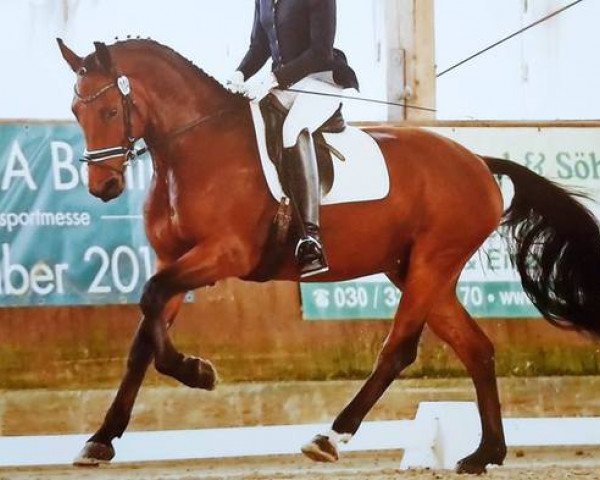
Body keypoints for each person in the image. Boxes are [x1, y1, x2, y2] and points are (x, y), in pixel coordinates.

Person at [227, 0, 359, 278]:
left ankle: (311, 238)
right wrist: (238, 74)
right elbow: (259, 47)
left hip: (321, 81)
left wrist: (274, 78)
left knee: (292, 129)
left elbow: (320, 52)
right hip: (285, 83)